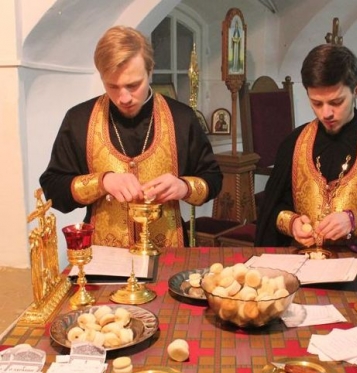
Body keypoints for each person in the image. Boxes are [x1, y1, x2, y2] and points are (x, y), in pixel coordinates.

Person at [40, 26, 222, 248]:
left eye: (133, 85)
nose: (123, 97)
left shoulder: (181, 118)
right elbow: (53, 187)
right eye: (112, 86)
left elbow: (213, 178)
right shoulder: (79, 119)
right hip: (103, 256)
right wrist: (102, 182)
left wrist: (183, 186)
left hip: (168, 250)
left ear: (150, 71)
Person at [255, 44, 357, 253]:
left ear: (356, 90)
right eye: (317, 103)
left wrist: (353, 221)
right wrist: (292, 223)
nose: (326, 113)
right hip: (302, 266)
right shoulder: (293, 144)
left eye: (336, 102)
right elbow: (271, 211)